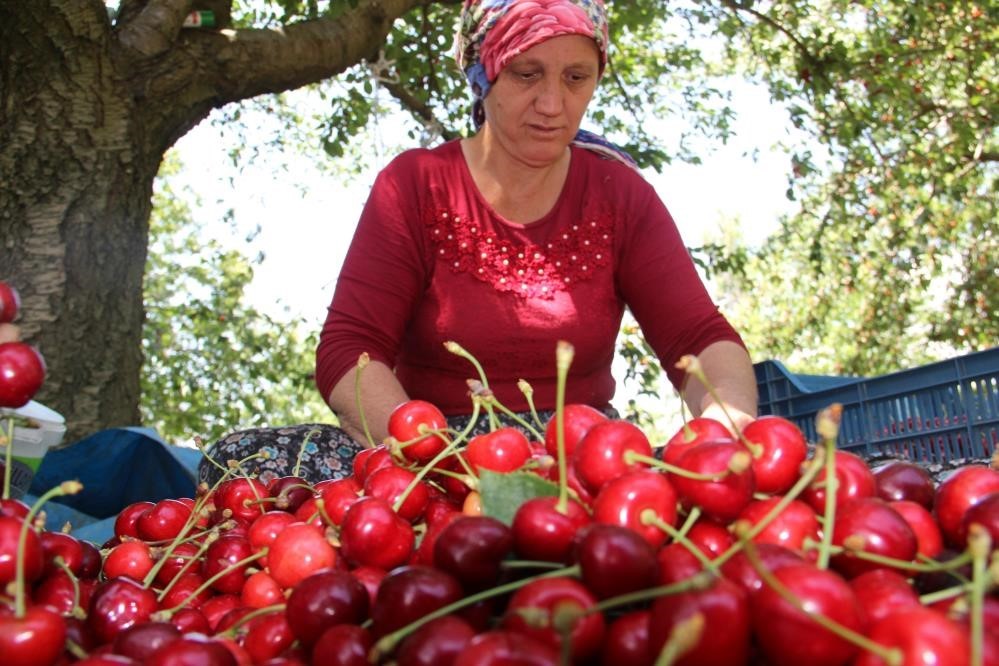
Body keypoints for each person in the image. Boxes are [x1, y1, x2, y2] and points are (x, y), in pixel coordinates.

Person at [199, 0, 758, 487]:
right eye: (526, 74)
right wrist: (428, 456)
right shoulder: (415, 186)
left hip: (574, 459)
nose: (552, 103)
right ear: (485, 73)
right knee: (242, 464)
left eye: (575, 78)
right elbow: (351, 349)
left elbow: (698, 337)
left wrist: (729, 428)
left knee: (770, 464)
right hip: (428, 444)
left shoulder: (619, 195)